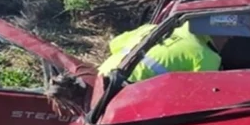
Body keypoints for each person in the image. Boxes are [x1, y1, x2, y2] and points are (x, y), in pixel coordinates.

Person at [97, 21, 229, 82]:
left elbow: (114, 44)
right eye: (228, 35)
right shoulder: (206, 56)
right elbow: (203, 94)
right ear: (217, 34)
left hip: (102, 76)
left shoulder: (151, 28)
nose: (228, 39)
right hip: (126, 91)